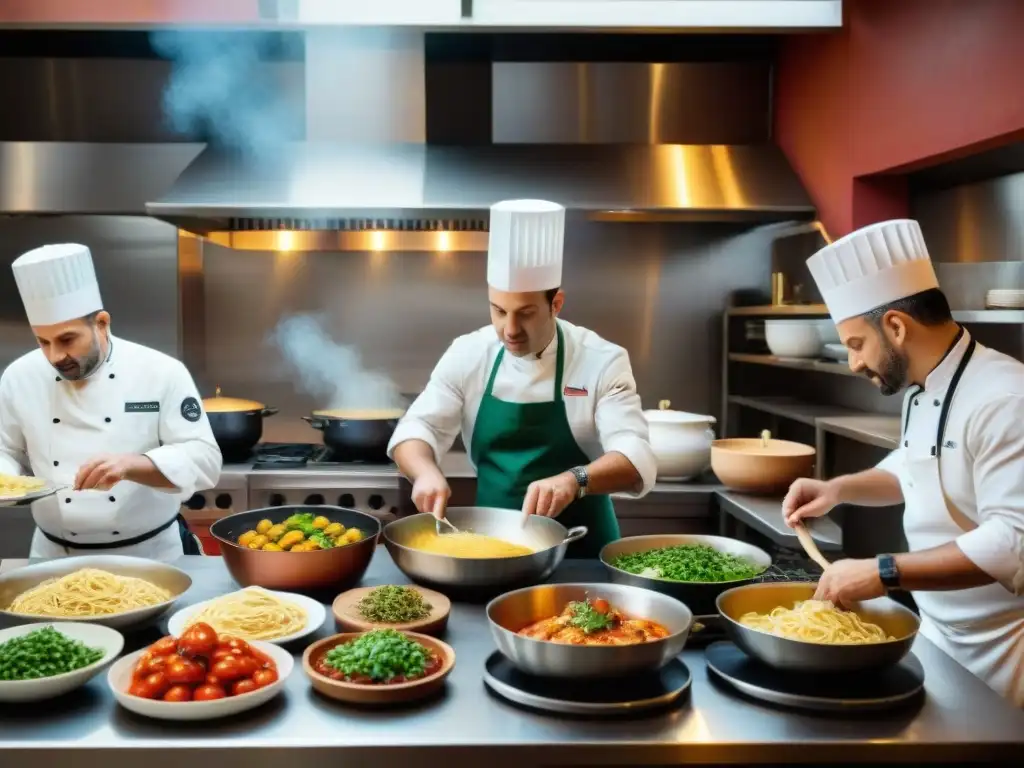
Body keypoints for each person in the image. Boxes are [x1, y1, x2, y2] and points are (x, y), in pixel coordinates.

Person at [783, 219, 1024, 706]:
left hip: (1002, 651)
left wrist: (884, 571)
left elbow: (1013, 542)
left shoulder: (1005, 397)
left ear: (896, 326)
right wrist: (839, 488)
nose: (852, 363)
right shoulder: (923, 384)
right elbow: (914, 466)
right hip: (936, 632)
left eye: (855, 344)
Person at [388, 199, 657, 558]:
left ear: (556, 304)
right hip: (491, 548)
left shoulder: (601, 360)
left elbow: (634, 455)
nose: (510, 330)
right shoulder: (469, 354)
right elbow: (417, 429)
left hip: (582, 549)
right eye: (499, 311)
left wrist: (574, 480)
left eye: (526, 314)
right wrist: (424, 473)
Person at [0, 243, 222, 561]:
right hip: (54, 557)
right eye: (42, 342)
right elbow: (5, 450)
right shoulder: (19, 377)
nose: (54, 356)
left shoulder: (160, 372)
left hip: (151, 555)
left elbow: (204, 460)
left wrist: (132, 465)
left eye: (66, 339)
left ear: (102, 323)